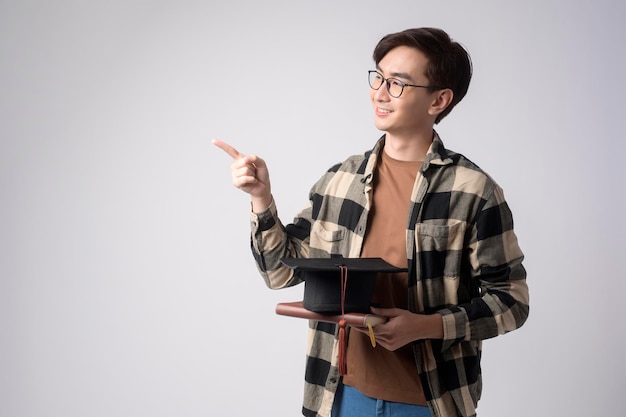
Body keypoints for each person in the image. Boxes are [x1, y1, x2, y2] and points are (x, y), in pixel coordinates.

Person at [214, 27, 529, 417]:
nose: (379, 92)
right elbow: (281, 273)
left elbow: (511, 302)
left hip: (430, 402)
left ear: (439, 99)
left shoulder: (474, 191)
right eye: (378, 76)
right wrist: (261, 199)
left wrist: (426, 325)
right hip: (340, 395)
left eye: (397, 83)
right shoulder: (340, 181)